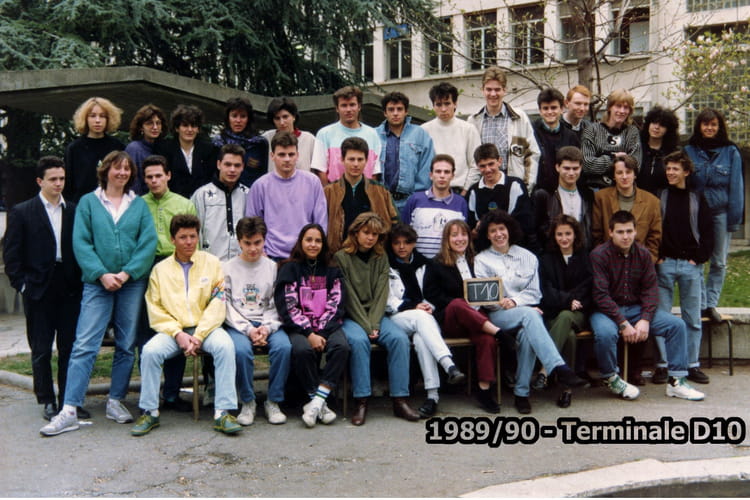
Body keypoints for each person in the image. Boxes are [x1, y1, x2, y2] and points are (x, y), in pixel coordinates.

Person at [41, 151, 157, 437]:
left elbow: (147, 243)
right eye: (117, 168)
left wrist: (127, 273)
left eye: (127, 169)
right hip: (97, 283)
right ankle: (69, 409)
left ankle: (115, 400)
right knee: (84, 344)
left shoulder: (139, 205)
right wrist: (102, 274)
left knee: (126, 344)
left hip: (131, 283)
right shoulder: (89, 203)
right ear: (105, 171)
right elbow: (81, 243)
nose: (122, 173)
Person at [130, 214, 242, 436]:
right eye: (183, 237)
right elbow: (155, 307)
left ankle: (223, 412)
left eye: (193, 236)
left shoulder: (212, 263)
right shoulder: (160, 270)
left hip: (206, 329)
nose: (189, 242)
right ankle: (150, 411)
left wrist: (199, 335)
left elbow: (218, 302)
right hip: (174, 331)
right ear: (172, 239)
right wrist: (177, 333)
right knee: (150, 352)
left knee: (225, 346)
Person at [473, 210, 587, 415]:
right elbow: (485, 299)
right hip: (498, 316)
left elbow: (535, 293)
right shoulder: (481, 260)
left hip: (525, 312)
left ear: (509, 230)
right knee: (531, 314)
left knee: (528, 333)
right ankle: (558, 367)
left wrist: (516, 301)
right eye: (493, 231)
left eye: (501, 229)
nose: (498, 234)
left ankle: (522, 393)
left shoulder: (528, 257)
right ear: (487, 235)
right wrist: (504, 303)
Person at [589, 210, 705, 402]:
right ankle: (611, 378)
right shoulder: (599, 255)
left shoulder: (643, 254)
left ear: (635, 231)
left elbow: (651, 290)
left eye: (629, 231)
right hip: (605, 311)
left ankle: (676, 381)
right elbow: (600, 295)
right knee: (605, 334)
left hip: (635, 309)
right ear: (610, 232)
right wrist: (623, 323)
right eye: (620, 232)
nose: (625, 236)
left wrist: (645, 319)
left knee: (676, 325)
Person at [4, 156, 82, 421]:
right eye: (53, 179)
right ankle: (47, 399)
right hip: (38, 286)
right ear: (40, 181)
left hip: (69, 285)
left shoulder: (73, 210)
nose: (58, 184)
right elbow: (12, 254)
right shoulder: (22, 211)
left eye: (62, 179)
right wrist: (23, 285)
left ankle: (69, 400)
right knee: (41, 348)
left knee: (69, 348)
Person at [334, 212, 420, 425]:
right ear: (356, 232)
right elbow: (349, 297)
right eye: (366, 232)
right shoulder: (341, 257)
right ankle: (361, 400)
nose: (370, 238)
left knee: (399, 339)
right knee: (359, 341)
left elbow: (382, 293)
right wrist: (367, 326)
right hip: (351, 316)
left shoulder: (381, 257)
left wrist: (374, 324)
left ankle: (400, 399)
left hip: (377, 314)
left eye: (375, 234)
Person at [423, 219, 505, 413]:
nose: (459, 239)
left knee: (487, 339)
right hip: (452, 318)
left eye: (463, 234)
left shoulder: (477, 261)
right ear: (447, 239)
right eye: (454, 235)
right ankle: (499, 332)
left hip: (477, 319)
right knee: (458, 303)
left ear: (469, 237)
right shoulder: (436, 264)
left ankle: (484, 391)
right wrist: (463, 302)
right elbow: (431, 294)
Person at [275, 224, 351, 427]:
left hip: (327, 326)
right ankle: (319, 403)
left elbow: (337, 303)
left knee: (341, 346)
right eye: (309, 240)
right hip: (299, 327)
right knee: (302, 350)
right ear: (301, 242)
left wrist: (322, 332)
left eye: (318, 241)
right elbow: (288, 305)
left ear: (323, 244)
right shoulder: (289, 268)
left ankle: (316, 402)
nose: (313, 244)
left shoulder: (333, 270)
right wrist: (309, 333)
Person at [386, 223, 466, 417]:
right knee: (421, 317)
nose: (402, 247)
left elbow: (432, 294)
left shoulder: (425, 264)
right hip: (397, 318)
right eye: (397, 243)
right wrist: (414, 306)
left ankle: (432, 397)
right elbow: (388, 301)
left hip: (424, 318)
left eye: (407, 242)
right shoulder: (386, 264)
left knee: (422, 339)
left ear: (414, 243)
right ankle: (448, 364)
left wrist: (430, 306)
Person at [139, 154, 197, 411]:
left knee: (177, 325)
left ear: (168, 176)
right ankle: (148, 395)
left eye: (158, 176)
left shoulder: (184, 204)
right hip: (145, 266)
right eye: (149, 177)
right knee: (147, 330)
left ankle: (172, 393)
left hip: (177, 265)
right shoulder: (138, 205)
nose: (154, 181)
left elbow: (193, 240)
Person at [223, 217, 292, 426]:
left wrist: (267, 328)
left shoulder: (272, 267)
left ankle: (273, 400)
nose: (253, 249)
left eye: (258, 243)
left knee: (283, 347)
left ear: (264, 240)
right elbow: (226, 305)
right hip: (239, 324)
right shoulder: (227, 268)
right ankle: (248, 401)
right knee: (241, 351)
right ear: (239, 242)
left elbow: (276, 302)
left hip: (266, 322)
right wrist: (248, 330)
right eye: (247, 243)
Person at [654, 151, 714, 385]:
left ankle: (691, 364)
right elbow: (654, 228)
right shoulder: (660, 196)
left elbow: (708, 231)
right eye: (668, 168)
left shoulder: (697, 197)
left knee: (692, 317)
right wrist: (658, 257)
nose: (670, 172)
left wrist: (698, 258)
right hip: (665, 263)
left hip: (690, 265)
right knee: (661, 316)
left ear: (686, 172)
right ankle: (663, 365)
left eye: (675, 169)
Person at [684, 108, 745, 323]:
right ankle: (700, 304)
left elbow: (736, 187)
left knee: (719, 262)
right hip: (696, 215)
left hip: (721, 214)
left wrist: (734, 220)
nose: (709, 128)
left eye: (713, 125)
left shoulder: (731, 152)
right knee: (698, 260)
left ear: (719, 127)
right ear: (699, 126)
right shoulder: (689, 150)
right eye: (705, 124)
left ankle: (711, 304)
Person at [245, 131, 327, 260]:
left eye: (291, 154)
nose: (287, 159)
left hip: (305, 254)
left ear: (297, 155)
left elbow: (321, 221)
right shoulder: (260, 186)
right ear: (272, 156)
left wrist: (315, 248)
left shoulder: (312, 182)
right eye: (282, 155)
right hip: (271, 256)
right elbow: (252, 224)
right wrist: (261, 252)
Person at [538, 215, 593, 408]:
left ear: (575, 234)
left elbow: (588, 286)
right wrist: (567, 300)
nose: (564, 238)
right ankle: (566, 389)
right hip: (554, 312)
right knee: (568, 334)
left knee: (566, 316)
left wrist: (572, 301)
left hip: (579, 313)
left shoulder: (585, 257)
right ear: (554, 236)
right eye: (559, 234)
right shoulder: (546, 259)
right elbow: (545, 290)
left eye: (568, 233)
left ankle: (545, 369)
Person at [466, 67, 540, 192]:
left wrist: (526, 186)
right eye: (489, 89)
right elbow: (471, 160)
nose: (493, 94)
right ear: (482, 90)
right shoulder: (473, 121)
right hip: (483, 187)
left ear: (504, 90)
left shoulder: (519, 118)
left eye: (497, 89)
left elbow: (532, 154)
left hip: (513, 186)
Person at [324, 137, 398, 254]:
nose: (356, 164)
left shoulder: (381, 191)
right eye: (351, 159)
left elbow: (396, 223)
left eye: (360, 159)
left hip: (373, 255)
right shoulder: (329, 192)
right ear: (342, 160)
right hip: (338, 255)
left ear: (366, 160)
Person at [465, 143, 535, 252]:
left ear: (499, 161)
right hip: (484, 250)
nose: (487, 169)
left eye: (491, 164)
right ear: (477, 166)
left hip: (514, 247)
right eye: (482, 166)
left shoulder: (515, 185)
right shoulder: (473, 191)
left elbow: (524, 222)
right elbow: (470, 224)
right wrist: (474, 231)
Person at [592, 155, 662, 262]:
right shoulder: (601, 198)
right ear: (614, 176)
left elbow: (655, 237)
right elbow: (596, 233)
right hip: (609, 261)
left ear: (635, 175)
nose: (624, 177)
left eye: (628, 172)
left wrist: (647, 261)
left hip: (639, 262)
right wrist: (603, 259)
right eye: (619, 173)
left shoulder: (652, 201)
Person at [375, 91, 435, 210]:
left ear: (406, 111)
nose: (395, 113)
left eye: (399, 109)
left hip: (411, 200)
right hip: (381, 201)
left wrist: (419, 197)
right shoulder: (374, 135)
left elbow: (427, 167)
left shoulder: (420, 134)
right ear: (385, 113)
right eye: (391, 109)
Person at [401, 154, 468, 258]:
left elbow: (463, 236)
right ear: (431, 175)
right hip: (420, 262)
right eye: (438, 171)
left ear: (452, 176)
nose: (442, 176)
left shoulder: (461, 203)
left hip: (449, 262)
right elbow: (404, 233)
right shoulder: (415, 200)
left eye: (446, 172)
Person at [311, 85, 382, 184]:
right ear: (337, 108)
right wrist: (328, 192)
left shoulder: (372, 134)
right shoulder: (324, 134)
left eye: (352, 105)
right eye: (344, 105)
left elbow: (375, 171)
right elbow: (320, 170)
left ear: (359, 106)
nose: (348, 109)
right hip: (335, 191)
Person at [191, 143, 249, 262]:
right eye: (227, 164)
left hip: (241, 264)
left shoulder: (248, 194)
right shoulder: (202, 195)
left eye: (237, 165)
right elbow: (194, 232)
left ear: (243, 167)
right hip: (209, 263)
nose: (232, 170)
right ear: (218, 164)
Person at [421, 82, 481, 195]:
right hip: (432, 192)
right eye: (439, 104)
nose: (443, 109)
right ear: (433, 106)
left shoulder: (468, 129)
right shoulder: (424, 130)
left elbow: (475, 164)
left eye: (447, 103)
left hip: (460, 191)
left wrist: (465, 191)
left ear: (455, 103)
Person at [63, 97, 125, 202]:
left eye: (102, 116)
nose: (97, 120)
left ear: (108, 119)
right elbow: (67, 184)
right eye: (92, 116)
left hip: (112, 205)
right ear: (85, 119)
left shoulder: (117, 147)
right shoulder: (74, 148)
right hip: (81, 205)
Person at [534, 146, 595, 251]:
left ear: (581, 168)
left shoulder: (587, 195)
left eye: (575, 168)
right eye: (566, 168)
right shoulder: (544, 195)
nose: (571, 173)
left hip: (581, 252)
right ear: (557, 167)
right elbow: (535, 229)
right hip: (553, 253)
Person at [581, 89, 641, 190]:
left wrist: (602, 157)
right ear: (609, 107)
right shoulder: (592, 130)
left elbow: (635, 165)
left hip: (623, 188)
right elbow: (587, 165)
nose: (622, 111)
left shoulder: (632, 132)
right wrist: (613, 157)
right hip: (596, 188)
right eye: (618, 106)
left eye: (626, 107)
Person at [157, 104, 217, 198]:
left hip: (202, 199)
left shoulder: (208, 150)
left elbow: (210, 179)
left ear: (198, 129)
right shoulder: (165, 149)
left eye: (193, 126)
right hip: (173, 200)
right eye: (185, 125)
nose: (190, 129)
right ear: (177, 128)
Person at [212, 97, 269, 188]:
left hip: (252, 192)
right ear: (228, 118)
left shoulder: (260, 143)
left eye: (243, 116)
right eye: (234, 116)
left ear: (248, 119)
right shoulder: (218, 143)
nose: (238, 121)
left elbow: (263, 175)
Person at [532, 88, 580, 194]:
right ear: (540, 111)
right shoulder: (531, 133)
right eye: (545, 108)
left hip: (564, 191)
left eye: (554, 108)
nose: (550, 112)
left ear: (562, 109)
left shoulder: (571, 136)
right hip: (538, 192)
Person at [262, 97, 316, 173]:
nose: (282, 122)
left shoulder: (309, 139)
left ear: (294, 116)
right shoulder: (266, 138)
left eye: (285, 117)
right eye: (277, 118)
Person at [125, 104, 168, 194]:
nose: (155, 127)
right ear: (141, 127)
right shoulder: (134, 149)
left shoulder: (164, 148)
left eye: (158, 123)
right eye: (149, 123)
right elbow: (133, 183)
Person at [637, 106, 679, 195]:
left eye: (662, 125)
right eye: (654, 122)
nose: (656, 127)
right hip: (637, 199)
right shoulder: (636, 148)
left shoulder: (673, 154)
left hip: (662, 200)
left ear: (668, 129)